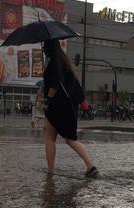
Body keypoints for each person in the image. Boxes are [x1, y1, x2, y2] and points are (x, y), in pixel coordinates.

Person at [42, 40, 98, 178]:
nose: (43, 49)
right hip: (69, 107)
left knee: (50, 138)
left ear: (49, 48)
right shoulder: (65, 63)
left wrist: (48, 100)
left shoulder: (53, 64)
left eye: (45, 46)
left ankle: (50, 170)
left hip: (56, 106)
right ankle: (90, 166)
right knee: (71, 138)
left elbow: (54, 85)